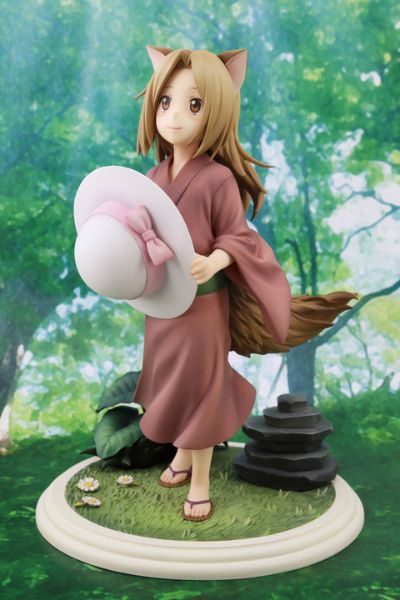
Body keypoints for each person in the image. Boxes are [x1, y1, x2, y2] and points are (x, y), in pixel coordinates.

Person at [132, 46, 294, 522]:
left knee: (201, 385)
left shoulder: (218, 179)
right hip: (162, 305)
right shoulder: (153, 176)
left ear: (218, 109)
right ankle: (182, 454)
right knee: (170, 383)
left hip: (203, 306)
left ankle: (199, 481)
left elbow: (238, 235)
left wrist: (216, 259)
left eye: (194, 104)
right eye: (166, 102)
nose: (174, 116)